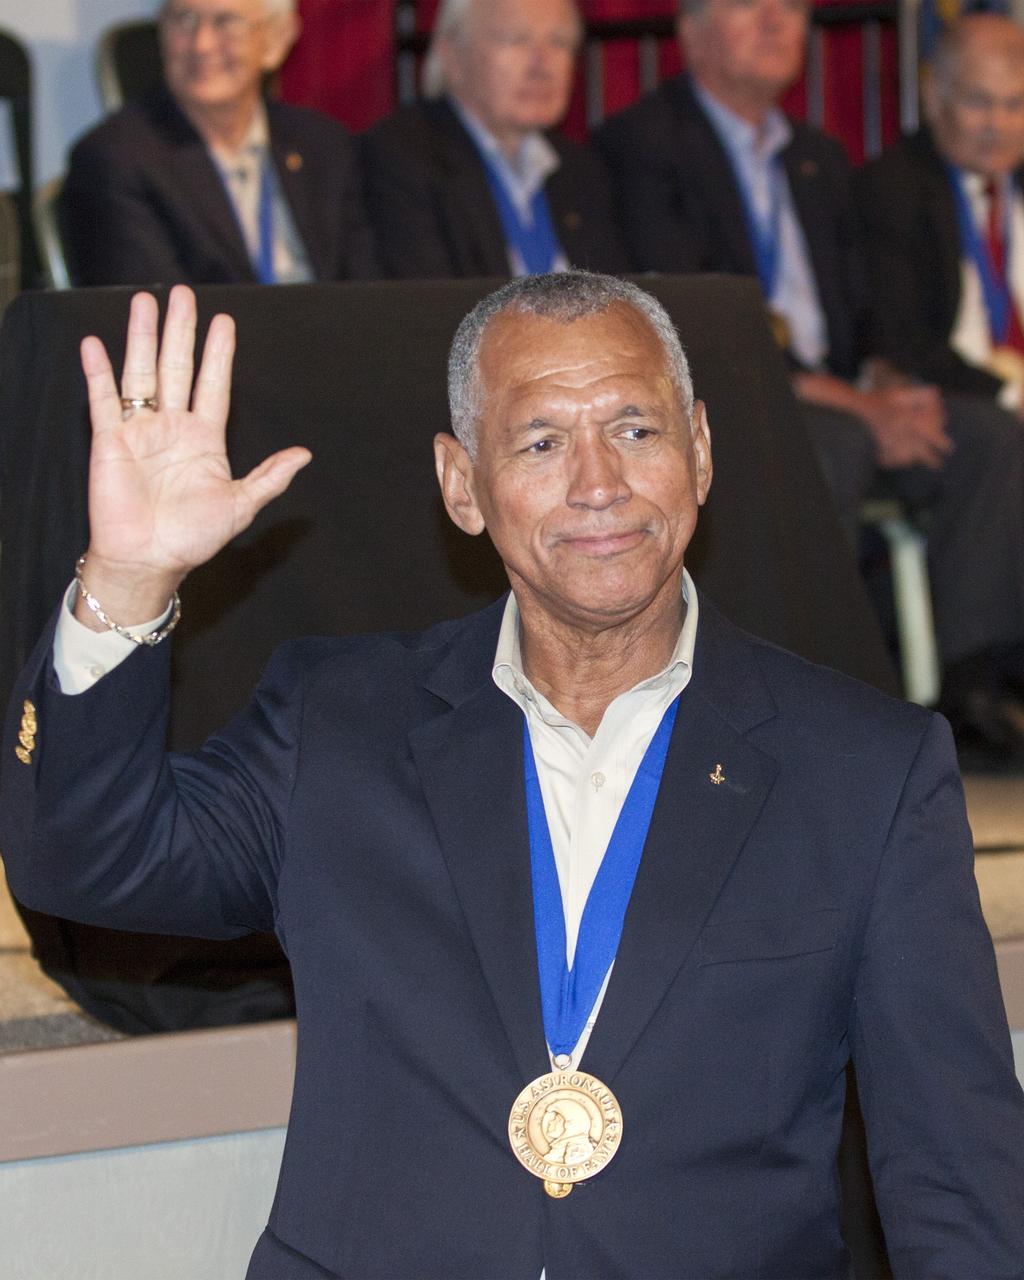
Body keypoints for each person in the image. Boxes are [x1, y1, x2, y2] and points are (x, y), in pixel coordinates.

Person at [2, 271, 1023, 1277]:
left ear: (701, 451)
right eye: (541, 441)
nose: (598, 482)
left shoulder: (865, 771)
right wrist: (126, 585)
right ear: (461, 485)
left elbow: (959, 1176)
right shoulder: (337, 725)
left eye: (635, 429)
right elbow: (82, 863)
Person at [595, 0, 1024, 767]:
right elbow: (691, 321)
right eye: (749, 5)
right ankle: (809, 695)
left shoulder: (816, 155)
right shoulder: (643, 147)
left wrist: (890, 382)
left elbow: (869, 307)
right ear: (691, 31)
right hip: (728, 394)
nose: (776, 21)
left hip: (842, 392)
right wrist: (861, 406)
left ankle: (972, 687)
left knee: (985, 435)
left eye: (790, 7)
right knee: (836, 442)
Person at [59, 0, 378, 286]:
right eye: (184, 19)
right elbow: (155, 311)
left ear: (276, 39)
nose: (202, 44)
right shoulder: (116, 159)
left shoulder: (323, 145)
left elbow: (369, 294)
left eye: (227, 22)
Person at [360, 0, 628, 279]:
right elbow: (428, 300)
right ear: (451, 55)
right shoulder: (404, 157)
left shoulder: (581, 169)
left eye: (559, 42)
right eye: (516, 40)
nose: (542, 65)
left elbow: (618, 295)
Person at [858, 15, 1024, 409]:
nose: (998, 125)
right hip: (962, 402)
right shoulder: (893, 189)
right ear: (933, 98)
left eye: (1015, 104)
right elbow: (907, 345)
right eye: (979, 102)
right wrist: (1011, 395)